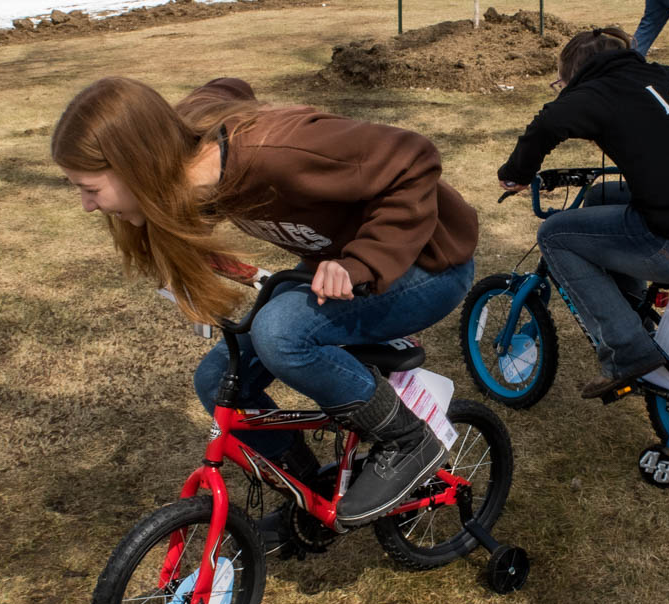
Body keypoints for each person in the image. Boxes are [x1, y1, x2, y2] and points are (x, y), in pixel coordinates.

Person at [52, 76, 477, 531]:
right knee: (217, 379)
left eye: (91, 189)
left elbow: (414, 158)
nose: (86, 206)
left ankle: (408, 439)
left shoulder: (280, 157)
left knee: (280, 333)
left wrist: (361, 261)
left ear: (136, 165)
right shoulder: (185, 148)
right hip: (340, 267)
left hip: (426, 268)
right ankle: (310, 494)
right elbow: (223, 89)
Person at [498, 26, 669, 400]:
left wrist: (514, 176)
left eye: (562, 82)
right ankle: (631, 315)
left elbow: (547, 123)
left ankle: (628, 352)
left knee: (554, 235)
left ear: (575, 75)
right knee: (601, 197)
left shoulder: (599, 90)